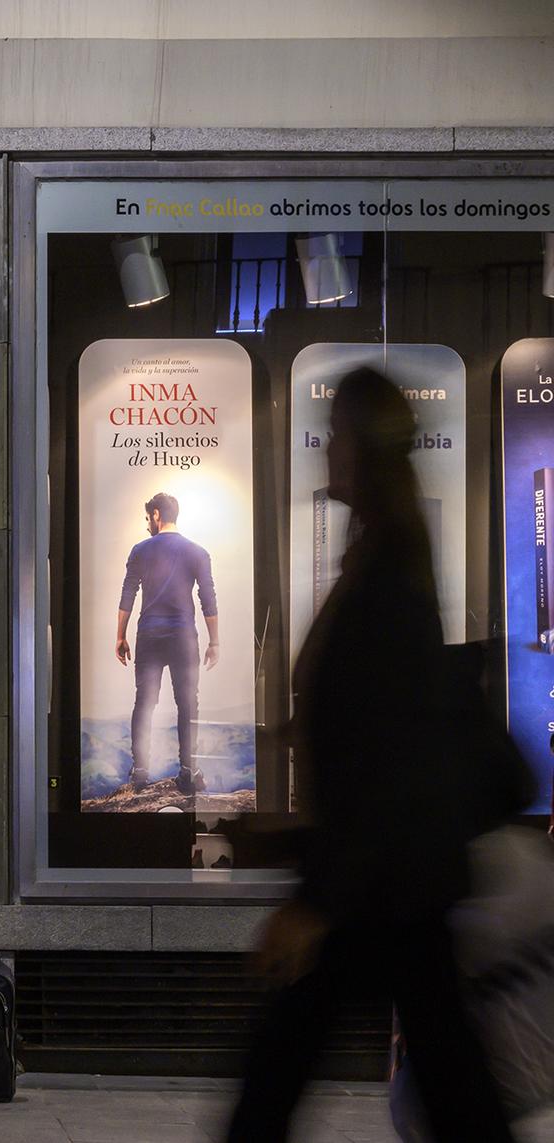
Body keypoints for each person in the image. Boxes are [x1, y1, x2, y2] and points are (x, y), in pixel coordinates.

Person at [228, 369, 514, 1142]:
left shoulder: (386, 578)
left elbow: (384, 759)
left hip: (375, 886)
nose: (327, 450)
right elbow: (369, 734)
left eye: (336, 433)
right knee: (454, 1089)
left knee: (272, 1090)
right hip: (388, 884)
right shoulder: (384, 562)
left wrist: (315, 898)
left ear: (361, 448)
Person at [115, 491, 221, 793]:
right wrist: (215, 641)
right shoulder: (198, 552)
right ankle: (188, 771)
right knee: (188, 703)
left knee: (144, 703)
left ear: (157, 515)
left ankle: (140, 772)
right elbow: (207, 598)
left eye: (149, 517)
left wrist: (120, 635)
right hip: (184, 637)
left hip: (149, 634)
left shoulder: (140, 550)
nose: (148, 523)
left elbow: (128, 594)